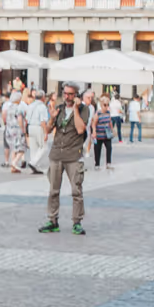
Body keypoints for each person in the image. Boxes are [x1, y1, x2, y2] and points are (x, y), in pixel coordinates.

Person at [42, 82, 89, 236]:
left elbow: (80, 129)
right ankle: (53, 220)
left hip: (73, 155)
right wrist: (52, 119)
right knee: (53, 190)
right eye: (65, 93)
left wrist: (75, 109)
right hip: (57, 154)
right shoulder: (59, 109)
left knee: (76, 190)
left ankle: (77, 222)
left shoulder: (83, 109)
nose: (67, 97)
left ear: (76, 95)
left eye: (71, 94)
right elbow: (48, 130)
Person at [26, 90, 50, 174]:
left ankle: (35, 166)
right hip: (39, 127)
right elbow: (43, 121)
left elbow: (26, 118)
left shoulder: (30, 105)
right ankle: (33, 162)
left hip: (30, 126)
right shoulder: (42, 107)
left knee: (34, 148)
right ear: (43, 97)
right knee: (44, 147)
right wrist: (46, 132)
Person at [5, 91, 27, 174]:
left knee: (13, 148)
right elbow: (20, 119)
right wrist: (23, 129)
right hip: (17, 129)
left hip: (9, 129)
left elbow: (4, 116)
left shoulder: (9, 107)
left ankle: (13, 167)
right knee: (23, 147)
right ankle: (14, 162)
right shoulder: (19, 108)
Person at [93, 95, 114, 170]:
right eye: (105, 105)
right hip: (99, 134)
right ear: (101, 105)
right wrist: (94, 132)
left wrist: (112, 130)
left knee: (109, 148)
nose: (106, 107)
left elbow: (110, 122)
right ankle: (97, 164)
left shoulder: (108, 113)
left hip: (107, 134)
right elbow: (94, 123)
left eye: (107, 105)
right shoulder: (98, 113)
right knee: (97, 149)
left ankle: (108, 163)